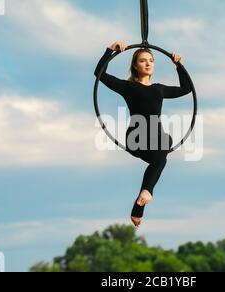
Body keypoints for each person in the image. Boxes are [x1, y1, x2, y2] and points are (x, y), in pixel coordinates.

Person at [94, 40, 192, 227]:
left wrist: (179, 65)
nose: (148, 64)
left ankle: (142, 199)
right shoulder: (128, 87)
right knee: (164, 148)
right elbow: (99, 74)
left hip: (156, 142)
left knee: (163, 151)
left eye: (151, 60)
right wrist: (110, 50)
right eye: (143, 61)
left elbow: (186, 89)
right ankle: (145, 193)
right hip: (136, 138)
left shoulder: (159, 89)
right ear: (135, 66)